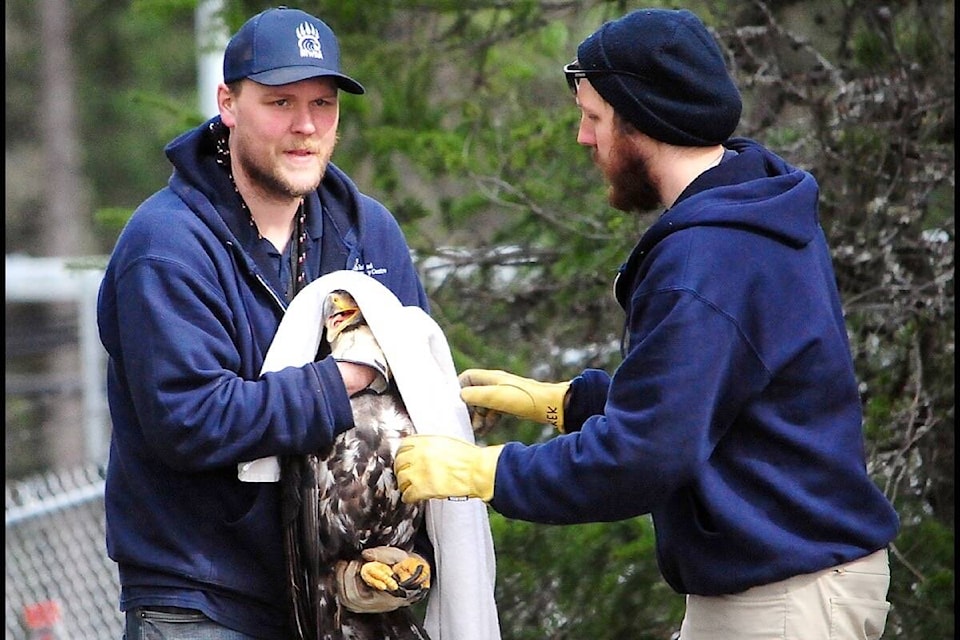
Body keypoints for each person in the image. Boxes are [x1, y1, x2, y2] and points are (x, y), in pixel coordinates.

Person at [394, 8, 900, 640]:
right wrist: (567, 404)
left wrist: (483, 472)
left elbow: (643, 459)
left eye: (594, 118)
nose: (583, 138)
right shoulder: (754, 207)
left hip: (785, 602)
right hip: (787, 585)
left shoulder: (706, 259)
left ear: (645, 121)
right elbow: (717, 401)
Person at [98, 7, 436, 639]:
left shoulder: (369, 234)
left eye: (323, 103)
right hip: (204, 598)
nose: (305, 126)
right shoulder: (168, 244)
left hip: (340, 597)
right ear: (228, 103)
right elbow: (190, 420)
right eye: (280, 102)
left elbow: (414, 410)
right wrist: (347, 378)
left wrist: (396, 551)